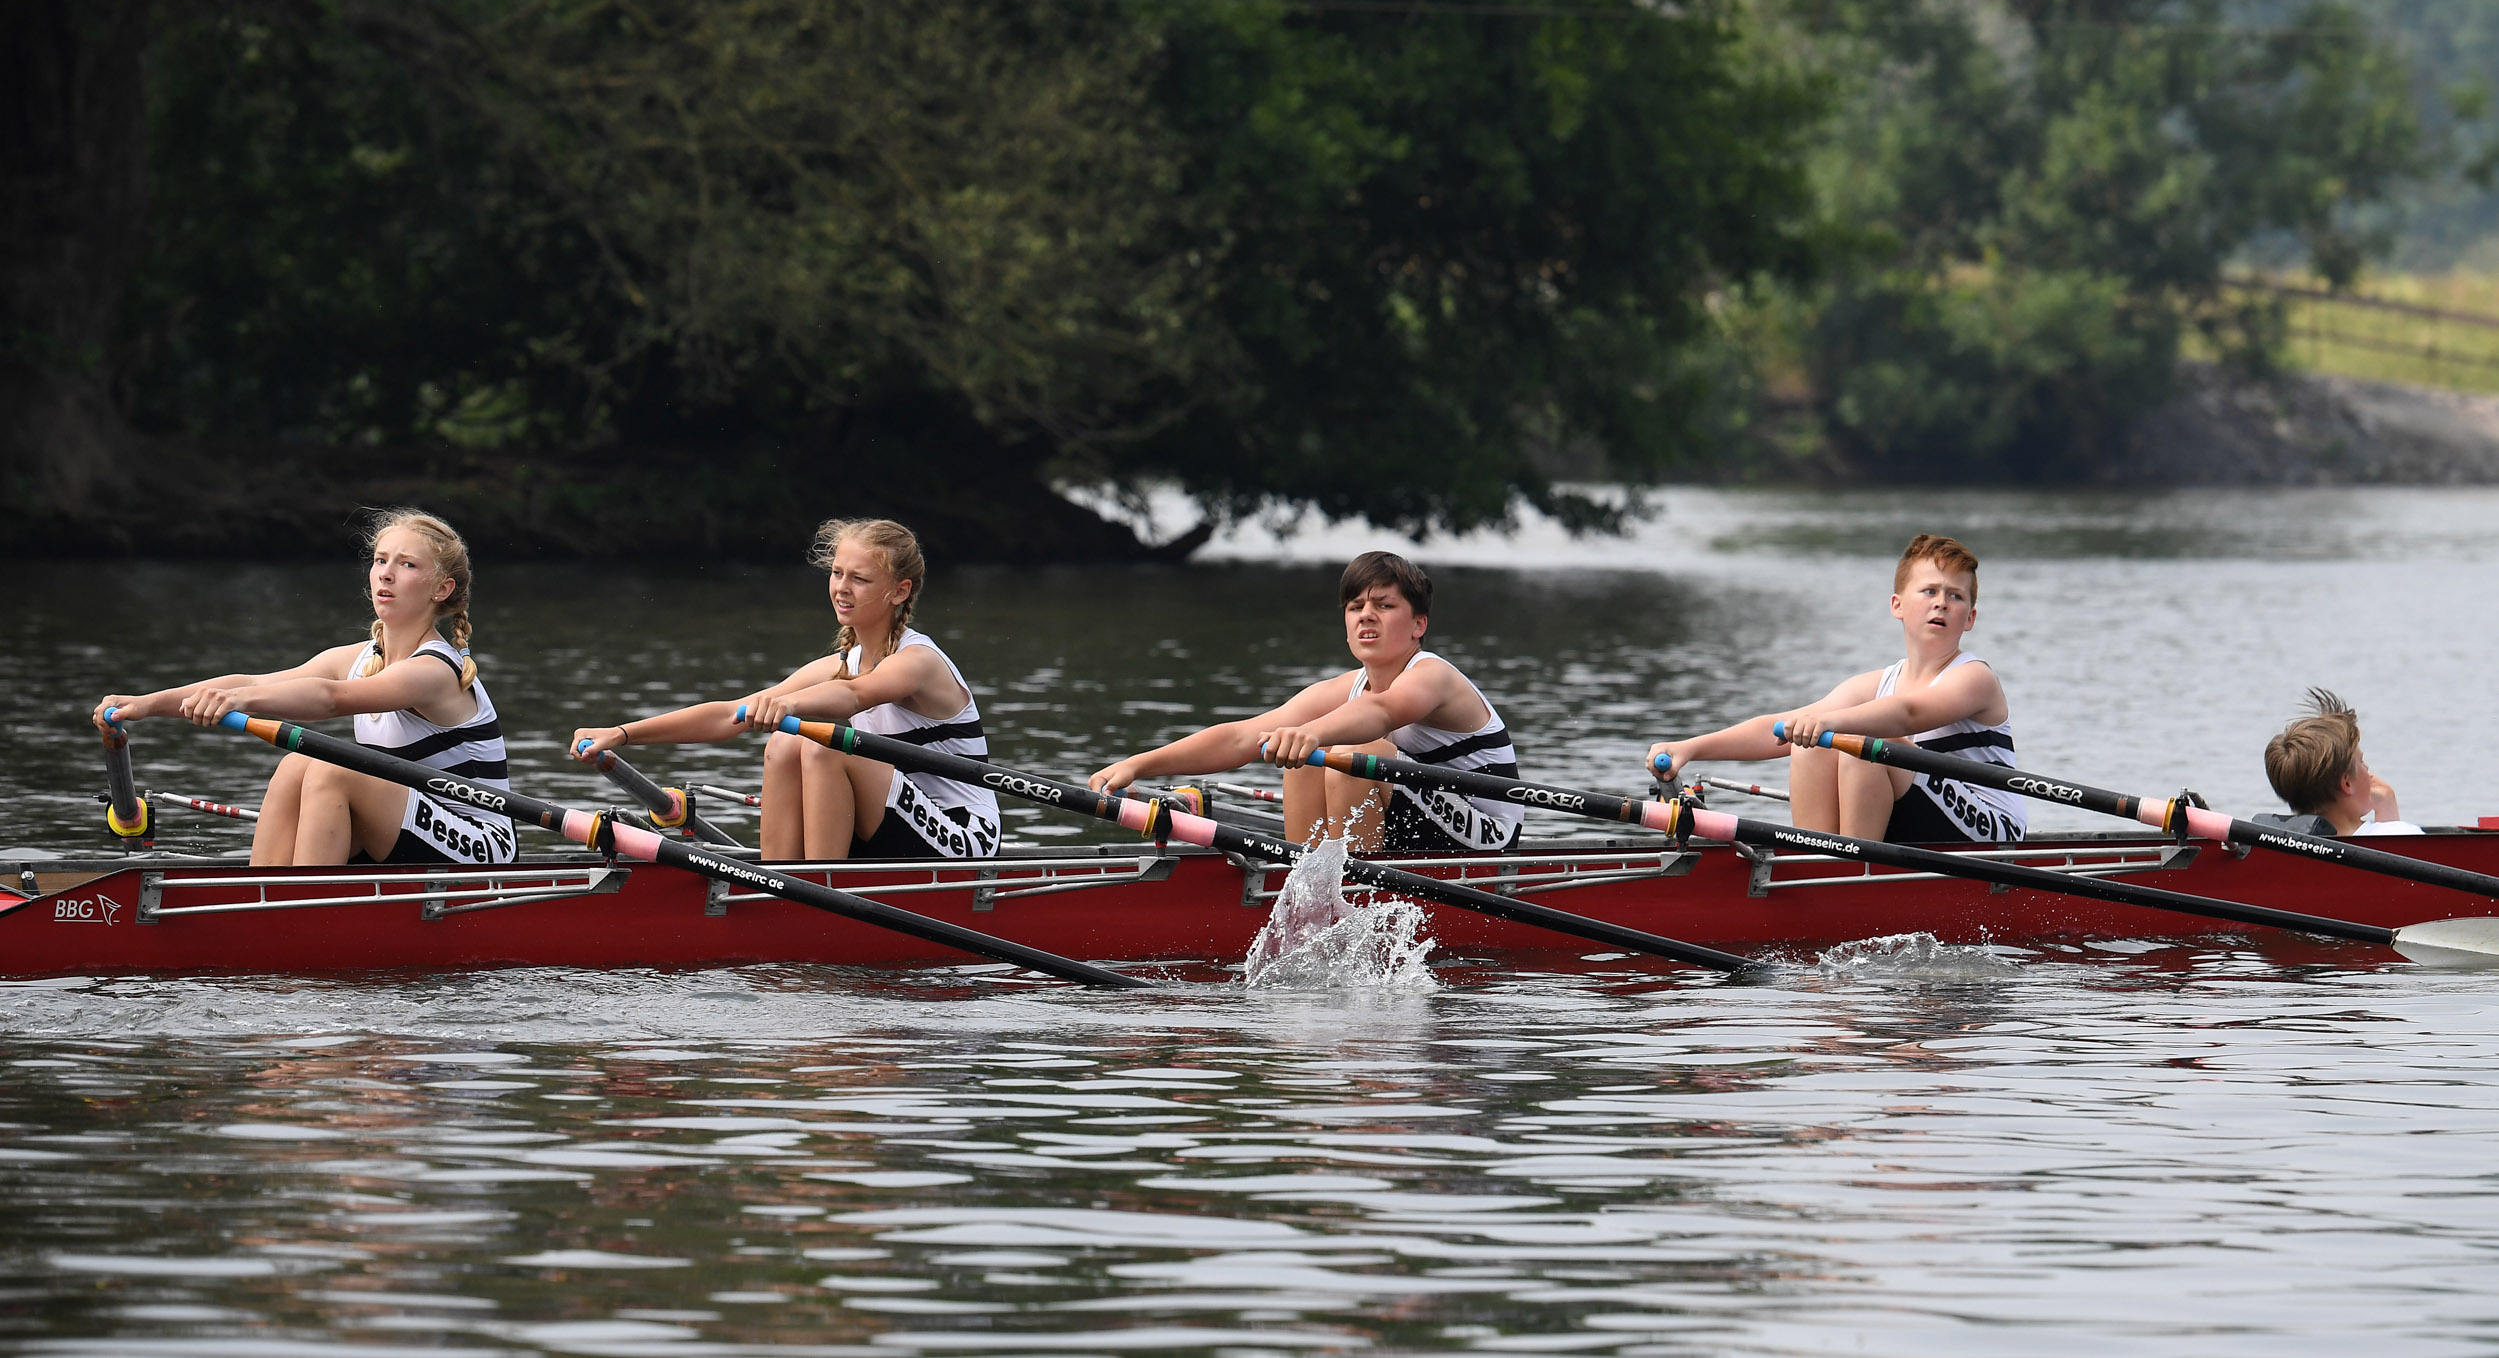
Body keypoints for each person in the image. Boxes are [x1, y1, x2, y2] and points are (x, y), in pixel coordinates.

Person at [90, 510, 515, 868]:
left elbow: (331, 699)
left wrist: (240, 703)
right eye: (380, 559)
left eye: (407, 565)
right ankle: (259, 902)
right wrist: (147, 704)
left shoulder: (435, 669)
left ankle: (298, 923)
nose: (385, 573)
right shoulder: (360, 658)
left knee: (332, 768)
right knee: (298, 765)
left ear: (442, 589)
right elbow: (254, 682)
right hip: (408, 825)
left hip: (480, 846)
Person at [570, 518, 999, 863]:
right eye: (836, 573)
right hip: (901, 822)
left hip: (962, 836)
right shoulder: (841, 663)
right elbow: (729, 714)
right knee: (783, 743)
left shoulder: (918, 661)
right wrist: (622, 733)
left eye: (860, 579)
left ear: (899, 591)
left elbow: (853, 697)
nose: (842, 588)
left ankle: (816, 893)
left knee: (820, 746)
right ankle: (782, 882)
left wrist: (788, 703)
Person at [1089, 551, 1524, 853]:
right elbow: (1242, 736)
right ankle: (1307, 895)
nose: (1366, 615)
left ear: (1418, 624)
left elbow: (1381, 713)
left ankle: (1356, 908)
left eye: (1385, 605)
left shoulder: (1434, 675)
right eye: (1355, 607)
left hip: (1487, 836)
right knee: (1302, 754)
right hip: (1419, 817)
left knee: (1342, 752)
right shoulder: (1343, 688)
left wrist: (1312, 733)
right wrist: (1137, 765)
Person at [1644, 533, 2026, 844]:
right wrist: (1690, 748)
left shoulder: (1974, 677)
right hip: (1932, 815)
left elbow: (1908, 713)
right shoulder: (1876, 683)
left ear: (1970, 618)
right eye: (1929, 591)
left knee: (1854, 736)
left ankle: (1852, 879)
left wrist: (1825, 723)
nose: (1941, 603)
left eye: (1955, 596)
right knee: (1811, 739)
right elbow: (1777, 727)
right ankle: (1820, 863)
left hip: (1992, 832)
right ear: (1897, 605)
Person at [2259, 688, 2417, 836]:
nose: (2367, 768)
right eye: (2361, 761)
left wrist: (2385, 806)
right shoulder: (2401, 833)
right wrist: (2389, 812)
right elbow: (2398, 851)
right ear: (2347, 783)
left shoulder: (2278, 845)